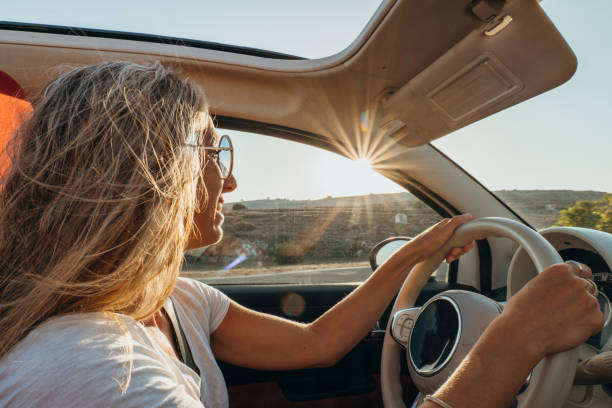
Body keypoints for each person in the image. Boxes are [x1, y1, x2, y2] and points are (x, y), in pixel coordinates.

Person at [0, 61, 603, 408]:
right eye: (216, 150)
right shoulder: (96, 371)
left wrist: (417, 251)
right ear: (156, 175)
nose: (230, 182)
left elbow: (314, 345)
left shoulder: (178, 300)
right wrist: (512, 341)